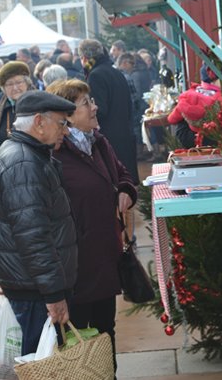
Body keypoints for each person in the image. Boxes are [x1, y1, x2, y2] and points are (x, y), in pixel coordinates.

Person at [47, 79, 137, 370]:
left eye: (92, 100)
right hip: (75, 264)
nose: (95, 107)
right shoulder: (53, 153)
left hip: (104, 254)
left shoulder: (98, 141)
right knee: (75, 339)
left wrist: (125, 189)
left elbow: (121, 172)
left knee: (104, 332)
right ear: (68, 114)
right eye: (86, 103)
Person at [0, 90, 78, 356]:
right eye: (62, 123)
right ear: (39, 122)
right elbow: (33, 237)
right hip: (34, 290)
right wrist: (54, 295)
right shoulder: (24, 162)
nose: (66, 131)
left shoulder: (25, 153)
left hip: (29, 284)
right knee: (40, 365)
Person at [79, 39, 139, 182]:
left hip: (109, 137)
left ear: (85, 58)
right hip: (124, 132)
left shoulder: (95, 75)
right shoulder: (115, 72)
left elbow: (100, 109)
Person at [0, 61, 34, 162]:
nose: (15, 88)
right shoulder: (3, 106)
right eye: (9, 84)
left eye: (18, 82)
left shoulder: (37, 102)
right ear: (3, 89)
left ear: (27, 83)